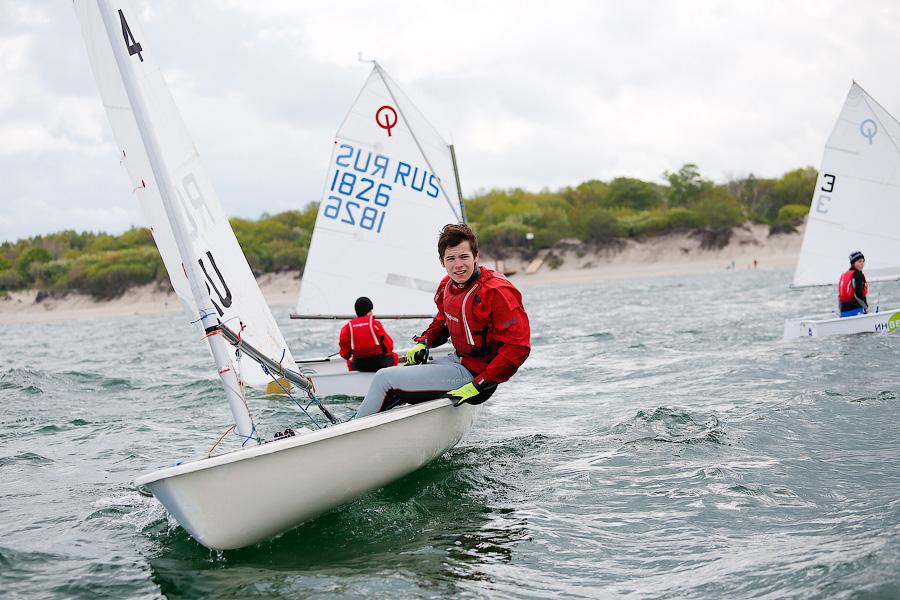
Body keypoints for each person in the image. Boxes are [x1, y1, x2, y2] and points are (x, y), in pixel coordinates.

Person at [354, 223, 531, 418]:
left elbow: (518, 348)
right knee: (401, 377)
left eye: (464, 257)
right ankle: (367, 426)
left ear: (476, 256)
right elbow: (442, 322)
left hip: (476, 377)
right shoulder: (447, 286)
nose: (458, 265)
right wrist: (425, 342)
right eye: (451, 258)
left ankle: (351, 432)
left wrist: (479, 384)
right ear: (441, 261)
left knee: (383, 378)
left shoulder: (497, 291)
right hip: (457, 361)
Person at [338, 296, 398, 372]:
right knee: (394, 356)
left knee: (350, 362)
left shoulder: (347, 328)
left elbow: (344, 354)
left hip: (359, 366)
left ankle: (356, 377)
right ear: (370, 311)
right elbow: (389, 346)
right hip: (379, 363)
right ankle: (386, 377)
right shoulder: (375, 324)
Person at [838, 250, 869, 317]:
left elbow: (840, 296)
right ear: (853, 263)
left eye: (863, 261)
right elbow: (858, 294)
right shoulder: (858, 274)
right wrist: (866, 307)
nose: (862, 263)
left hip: (843, 311)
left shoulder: (844, 275)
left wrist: (841, 311)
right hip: (856, 310)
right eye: (859, 261)